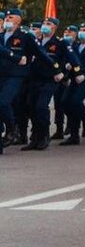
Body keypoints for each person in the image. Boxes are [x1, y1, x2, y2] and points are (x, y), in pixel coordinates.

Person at [1, 8, 51, 147]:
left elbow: (41, 54)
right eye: (6, 17)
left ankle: (14, 129)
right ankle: (15, 133)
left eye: (11, 17)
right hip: (3, 75)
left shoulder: (25, 36)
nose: (7, 19)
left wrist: (57, 69)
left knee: (5, 103)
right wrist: (16, 57)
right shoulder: (1, 35)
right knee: (13, 106)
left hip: (18, 75)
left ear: (19, 20)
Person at [23, 17, 67, 150]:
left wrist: (62, 73)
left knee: (41, 106)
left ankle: (44, 135)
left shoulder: (60, 43)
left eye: (48, 24)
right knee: (30, 106)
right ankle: (35, 137)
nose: (44, 26)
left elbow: (68, 60)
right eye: (43, 24)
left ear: (54, 27)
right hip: (34, 78)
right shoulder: (35, 41)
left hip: (50, 79)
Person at [61, 22, 85, 145]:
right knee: (64, 102)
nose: (82, 31)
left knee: (75, 101)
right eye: (81, 29)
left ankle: (78, 130)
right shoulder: (75, 46)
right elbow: (70, 58)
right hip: (74, 78)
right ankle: (80, 126)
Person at [51, 25, 79, 140]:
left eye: (70, 32)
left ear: (76, 34)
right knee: (58, 104)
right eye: (66, 31)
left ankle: (72, 126)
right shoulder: (60, 44)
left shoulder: (77, 46)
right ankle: (59, 129)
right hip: (60, 77)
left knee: (69, 103)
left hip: (73, 79)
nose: (67, 33)